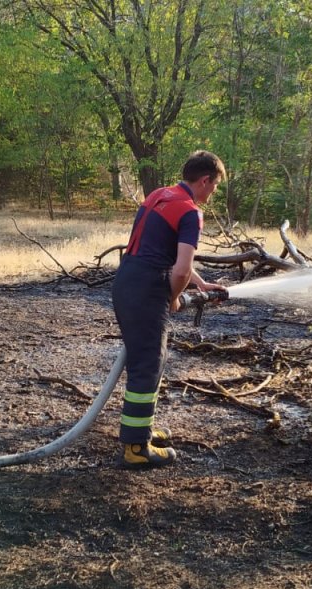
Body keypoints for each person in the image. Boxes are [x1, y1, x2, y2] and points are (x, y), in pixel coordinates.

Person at [112, 150, 228, 469]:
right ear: (205, 180)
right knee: (147, 365)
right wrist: (174, 296)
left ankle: (141, 430)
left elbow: (168, 257)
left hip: (127, 281)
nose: (213, 192)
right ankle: (136, 449)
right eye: (215, 185)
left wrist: (200, 285)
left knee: (149, 361)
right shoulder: (191, 212)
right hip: (148, 289)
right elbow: (178, 272)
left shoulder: (159, 195)